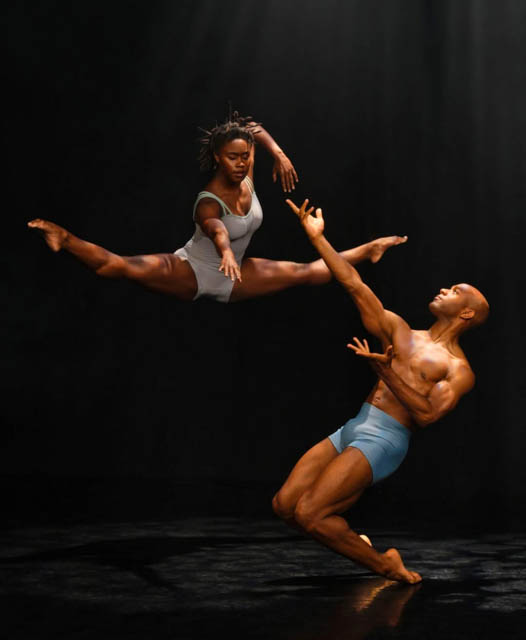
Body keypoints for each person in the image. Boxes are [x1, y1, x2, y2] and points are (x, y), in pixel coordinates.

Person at [272, 199, 489, 584]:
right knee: (285, 506)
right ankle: (353, 541)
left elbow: (426, 415)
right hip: (355, 425)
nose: (444, 289)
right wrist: (318, 240)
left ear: (466, 313)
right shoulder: (401, 331)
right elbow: (354, 285)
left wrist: (386, 372)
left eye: (455, 291)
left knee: (311, 514)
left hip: (384, 440)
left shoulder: (458, 369)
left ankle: (387, 565)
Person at [28, 114, 407, 302]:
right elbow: (215, 227)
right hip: (195, 269)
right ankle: (65, 238)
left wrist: (277, 153)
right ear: (217, 158)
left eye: (245, 156)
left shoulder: (247, 170)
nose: (241, 163)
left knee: (307, 273)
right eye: (232, 158)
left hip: (236, 273)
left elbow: (252, 127)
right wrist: (225, 251)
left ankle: (370, 249)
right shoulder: (209, 199)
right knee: (119, 266)